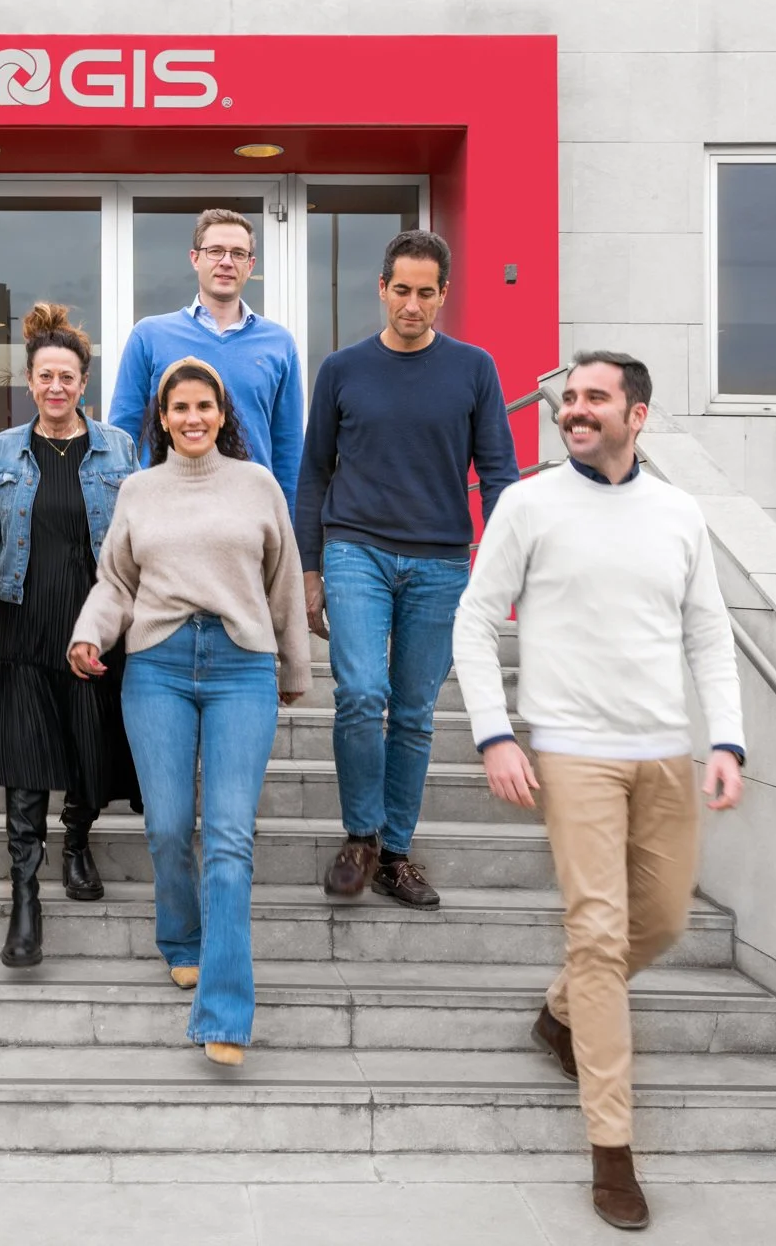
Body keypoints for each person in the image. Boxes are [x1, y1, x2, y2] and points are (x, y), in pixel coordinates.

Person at [453, 351, 746, 1231]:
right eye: (567, 399)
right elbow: (474, 618)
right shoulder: (529, 503)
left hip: (662, 750)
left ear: (637, 415)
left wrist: (725, 738)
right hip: (571, 751)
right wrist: (495, 732)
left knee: (661, 922)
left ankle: (558, 1012)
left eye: (592, 399)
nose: (572, 411)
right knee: (600, 930)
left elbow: (709, 635)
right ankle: (613, 1150)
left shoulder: (679, 514)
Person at [71, 358, 310, 1067]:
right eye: (180, 408)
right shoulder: (139, 490)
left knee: (230, 838)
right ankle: (180, 937)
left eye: (206, 406)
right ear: (163, 417)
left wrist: (293, 666)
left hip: (241, 666)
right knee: (170, 824)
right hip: (159, 667)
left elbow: (284, 579)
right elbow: (116, 579)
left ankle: (226, 1014)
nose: (194, 418)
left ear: (222, 413)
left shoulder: (257, 484)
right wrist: (90, 633)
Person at [296, 229, 519, 912]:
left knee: (416, 712)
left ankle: (395, 853)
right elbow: (313, 474)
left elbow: (502, 475)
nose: (413, 304)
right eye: (402, 290)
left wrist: (504, 572)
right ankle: (360, 835)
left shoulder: (474, 369)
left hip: (441, 560)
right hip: (355, 548)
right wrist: (310, 569)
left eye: (427, 293)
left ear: (443, 295)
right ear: (383, 289)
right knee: (362, 692)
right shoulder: (342, 369)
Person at [0, 303, 140, 967]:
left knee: (87, 742)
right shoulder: (2, 450)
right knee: (24, 754)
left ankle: (75, 844)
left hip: (93, 614)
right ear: (29, 380)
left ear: (83, 383)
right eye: (44, 375)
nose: (55, 387)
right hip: (25, 615)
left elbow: (131, 542)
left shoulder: (118, 448)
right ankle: (24, 898)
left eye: (66, 376)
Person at [108, 208, 304, 512]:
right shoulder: (149, 336)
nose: (226, 261)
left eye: (238, 253)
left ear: (250, 265)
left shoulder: (279, 344)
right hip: (164, 513)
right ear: (195, 258)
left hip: (250, 514)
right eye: (215, 251)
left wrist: (291, 534)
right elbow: (121, 440)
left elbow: (288, 451)